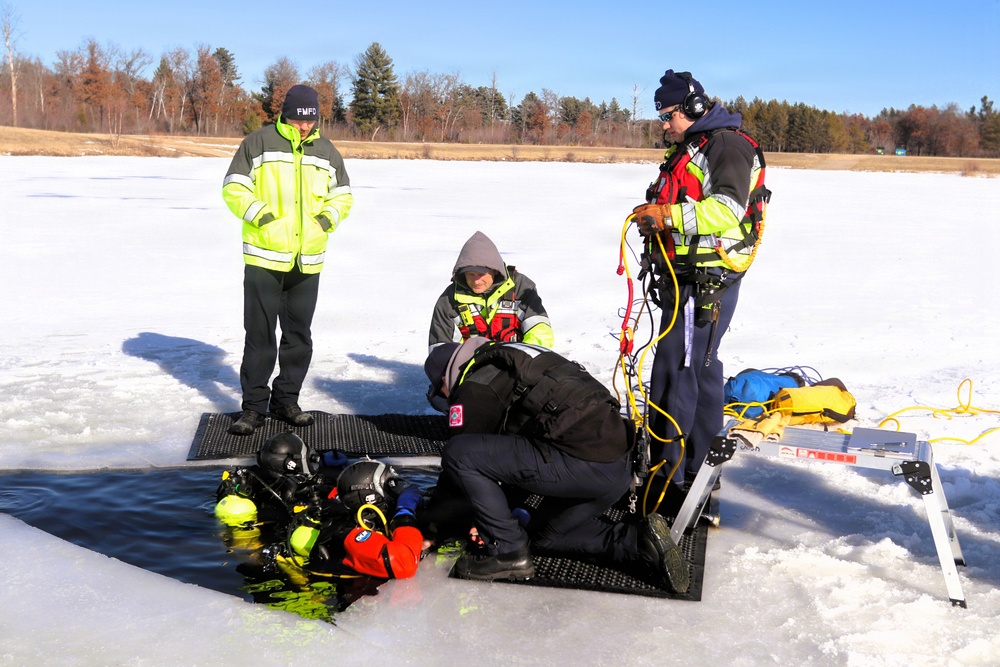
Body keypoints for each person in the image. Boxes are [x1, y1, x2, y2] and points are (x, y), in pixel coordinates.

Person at [421, 338, 690, 594]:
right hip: (617, 467)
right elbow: (510, 461)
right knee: (543, 537)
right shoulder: (512, 358)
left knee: (459, 453)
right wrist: (491, 519)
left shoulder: (476, 385)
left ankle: (508, 553)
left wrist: (430, 527)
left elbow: (460, 470)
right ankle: (638, 544)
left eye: (442, 394)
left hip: (581, 463)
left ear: (446, 379)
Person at [630, 70, 770, 491]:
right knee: (700, 370)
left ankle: (672, 476)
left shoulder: (725, 145)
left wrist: (668, 216)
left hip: (708, 281)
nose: (664, 125)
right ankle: (699, 470)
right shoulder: (693, 148)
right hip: (685, 279)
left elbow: (726, 209)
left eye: (668, 115)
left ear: (691, 109)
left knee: (678, 368)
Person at [222, 84, 354, 435]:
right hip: (265, 256)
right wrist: (263, 217)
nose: (303, 127)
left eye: (309, 122)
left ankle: (286, 400)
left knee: (298, 336)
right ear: (285, 114)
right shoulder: (259, 142)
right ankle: (252, 408)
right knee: (260, 335)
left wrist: (325, 222)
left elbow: (342, 196)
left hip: (307, 260)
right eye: (297, 120)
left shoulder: (326, 151)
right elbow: (233, 187)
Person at [215, 433, 424, 580]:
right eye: (390, 485)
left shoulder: (347, 513)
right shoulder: (350, 531)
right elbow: (402, 564)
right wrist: (405, 516)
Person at [428, 231, 553, 353]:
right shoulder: (448, 300)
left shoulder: (521, 287)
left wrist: (525, 359)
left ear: (495, 270)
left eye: (481, 274)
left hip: (519, 364)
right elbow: (440, 349)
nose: (476, 281)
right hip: (472, 368)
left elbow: (540, 330)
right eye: (470, 274)